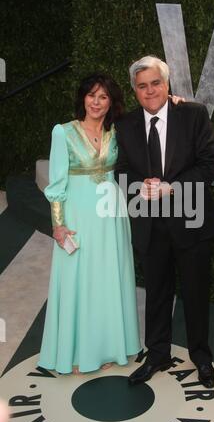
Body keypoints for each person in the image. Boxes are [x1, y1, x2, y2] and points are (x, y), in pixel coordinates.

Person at [115, 55, 214, 388]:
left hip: (191, 222)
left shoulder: (192, 115)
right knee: (157, 294)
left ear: (167, 84)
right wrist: (138, 186)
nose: (150, 92)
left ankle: (201, 358)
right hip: (150, 226)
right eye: (142, 86)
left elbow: (210, 165)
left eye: (156, 83)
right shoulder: (125, 125)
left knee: (195, 293)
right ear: (135, 91)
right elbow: (120, 171)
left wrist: (171, 187)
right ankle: (157, 354)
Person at [38, 73, 141, 374]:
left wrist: (175, 102)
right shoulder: (64, 132)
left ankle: (110, 347)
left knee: (110, 279)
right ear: (82, 98)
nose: (96, 102)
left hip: (112, 217)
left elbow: (148, 117)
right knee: (79, 281)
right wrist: (58, 224)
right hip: (78, 216)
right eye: (91, 95)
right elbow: (56, 183)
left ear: (112, 102)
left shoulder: (118, 131)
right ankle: (77, 351)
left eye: (104, 96)